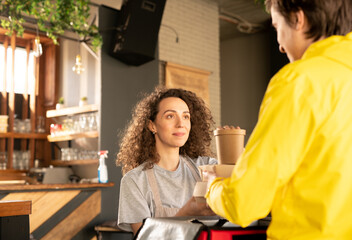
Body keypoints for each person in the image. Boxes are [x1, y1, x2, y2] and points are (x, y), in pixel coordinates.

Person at [205, 0, 352, 239]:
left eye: (277, 27)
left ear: (297, 18)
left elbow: (245, 203)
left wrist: (213, 186)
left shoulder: (301, 81)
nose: (281, 46)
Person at [116, 87, 217, 235]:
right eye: (170, 116)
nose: (180, 124)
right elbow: (144, 237)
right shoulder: (134, 181)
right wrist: (186, 213)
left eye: (186, 117)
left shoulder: (205, 167)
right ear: (152, 125)